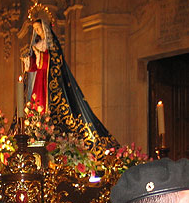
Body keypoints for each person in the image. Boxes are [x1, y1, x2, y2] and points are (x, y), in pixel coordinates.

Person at [21, 18, 117, 158]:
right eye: (35, 30)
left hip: (49, 82)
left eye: (39, 28)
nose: (37, 32)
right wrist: (28, 62)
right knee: (35, 106)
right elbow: (35, 67)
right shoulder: (38, 44)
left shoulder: (51, 44)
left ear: (45, 28)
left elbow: (55, 60)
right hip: (39, 82)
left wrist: (41, 55)